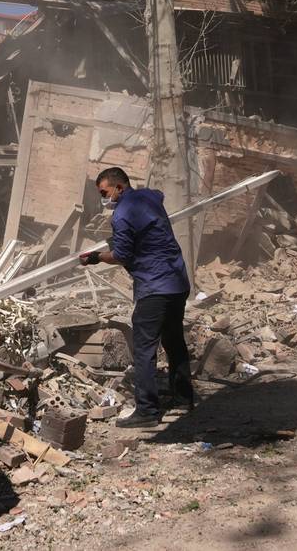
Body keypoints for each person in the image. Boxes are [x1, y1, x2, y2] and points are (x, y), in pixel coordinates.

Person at [79, 167, 193, 427]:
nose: (104, 199)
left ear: (119, 187)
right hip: (177, 282)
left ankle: (147, 412)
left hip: (155, 287)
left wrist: (96, 257)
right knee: (174, 341)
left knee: (143, 349)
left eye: (105, 192)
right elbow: (158, 196)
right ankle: (184, 400)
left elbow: (121, 255)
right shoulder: (148, 198)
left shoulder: (121, 215)